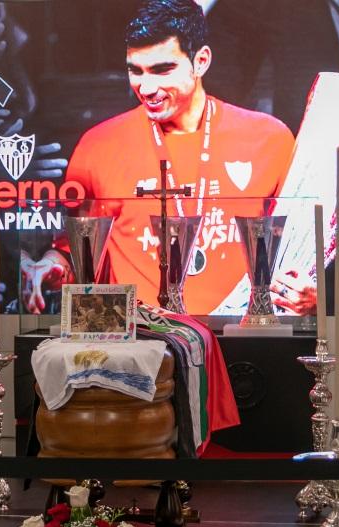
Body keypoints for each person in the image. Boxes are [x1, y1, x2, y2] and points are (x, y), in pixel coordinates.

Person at [65, 0, 296, 314]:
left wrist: (307, 293)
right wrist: (48, 269)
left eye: (162, 70)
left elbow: (302, 250)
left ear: (200, 62)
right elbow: (72, 259)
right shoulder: (98, 145)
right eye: (136, 71)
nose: (147, 87)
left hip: (240, 341)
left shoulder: (270, 139)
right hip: (139, 346)